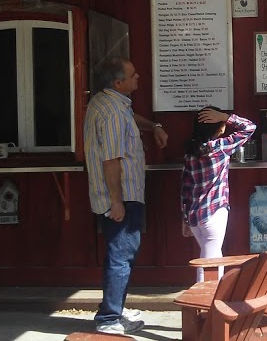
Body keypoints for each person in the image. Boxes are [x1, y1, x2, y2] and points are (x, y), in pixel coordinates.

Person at [84, 57, 168, 335]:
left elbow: (132, 119)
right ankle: (109, 319)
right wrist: (116, 201)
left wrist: (153, 126)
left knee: (122, 254)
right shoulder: (113, 114)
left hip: (122, 193)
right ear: (118, 82)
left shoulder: (107, 102)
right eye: (133, 75)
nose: (138, 76)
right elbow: (111, 159)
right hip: (121, 195)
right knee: (121, 255)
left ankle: (115, 311)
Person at [180, 106, 256, 282]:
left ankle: (212, 298)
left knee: (213, 256)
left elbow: (185, 189)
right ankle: (206, 302)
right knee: (209, 263)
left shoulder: (190, 154)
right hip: (214, 212)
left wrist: (185, 219)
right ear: (220, 128)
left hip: (194, 216)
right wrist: (226, 116)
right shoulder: (221, 147)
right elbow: (250, 127)